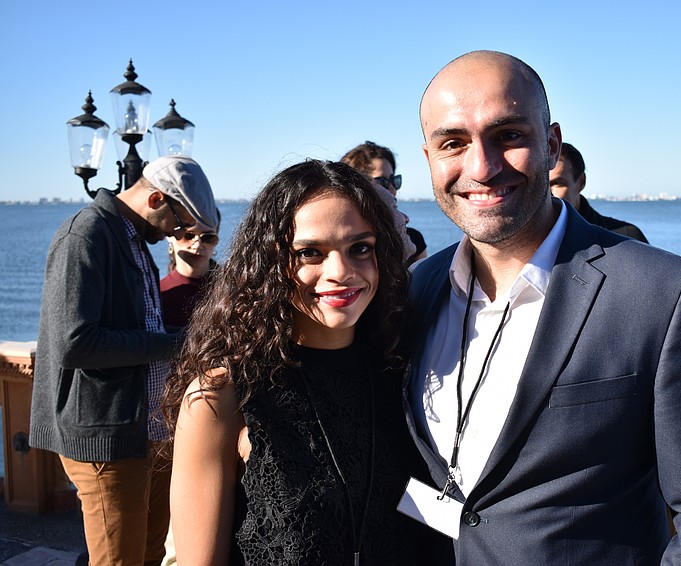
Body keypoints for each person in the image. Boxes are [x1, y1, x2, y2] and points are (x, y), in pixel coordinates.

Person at [404, 50, 681, 564]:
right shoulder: (417, 289)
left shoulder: (663, 294)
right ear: (429, 160)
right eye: (453, 143)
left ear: (551, 145)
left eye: (508, 135)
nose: (481, 167)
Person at [162, 160, 442, 565]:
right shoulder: (222, 396)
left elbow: (419, 511)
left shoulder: (401, 372)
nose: (340, 272)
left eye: (360, 248)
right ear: (270, 262)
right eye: (310, 253)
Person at [29, 155, 217, 566]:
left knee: (149, 555)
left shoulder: (130, 240)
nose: (178, 235)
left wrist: (188, 339)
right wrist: (176, 344)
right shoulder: (87, 235)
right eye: (179, 223)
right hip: (106, 437)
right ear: (156, 199)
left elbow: (140, 323)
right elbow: (74, 343)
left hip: (143, 431)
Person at [342, 140, 428, 263]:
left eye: (393, 180)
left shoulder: (412, 239)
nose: (391, 187)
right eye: (381, 182)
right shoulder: (349, 244)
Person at [549, 142, 649, 243]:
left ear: (581, 182)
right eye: (541, 183)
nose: (547, 193)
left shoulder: (627, 237)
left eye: (557, 183)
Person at [160, 211, 221, 328]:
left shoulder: (232, 289)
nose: (197, 246)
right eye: (188, 236)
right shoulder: (158, 295)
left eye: (208, 238)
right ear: (170, 237)